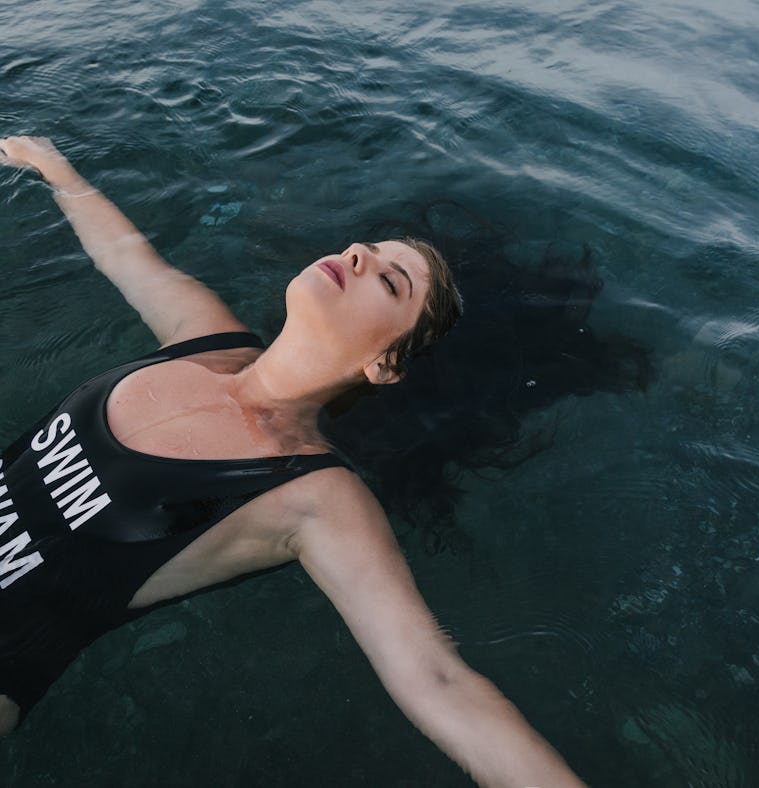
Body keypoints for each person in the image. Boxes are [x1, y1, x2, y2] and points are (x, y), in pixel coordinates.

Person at [0, 136, 587, 787]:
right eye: (365, 247)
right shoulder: (206, 336)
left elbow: (438, 681)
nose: (358, 253)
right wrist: (52, 166)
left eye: (390, 281)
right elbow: (125, 255)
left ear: (384, 364)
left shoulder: (316, 497)